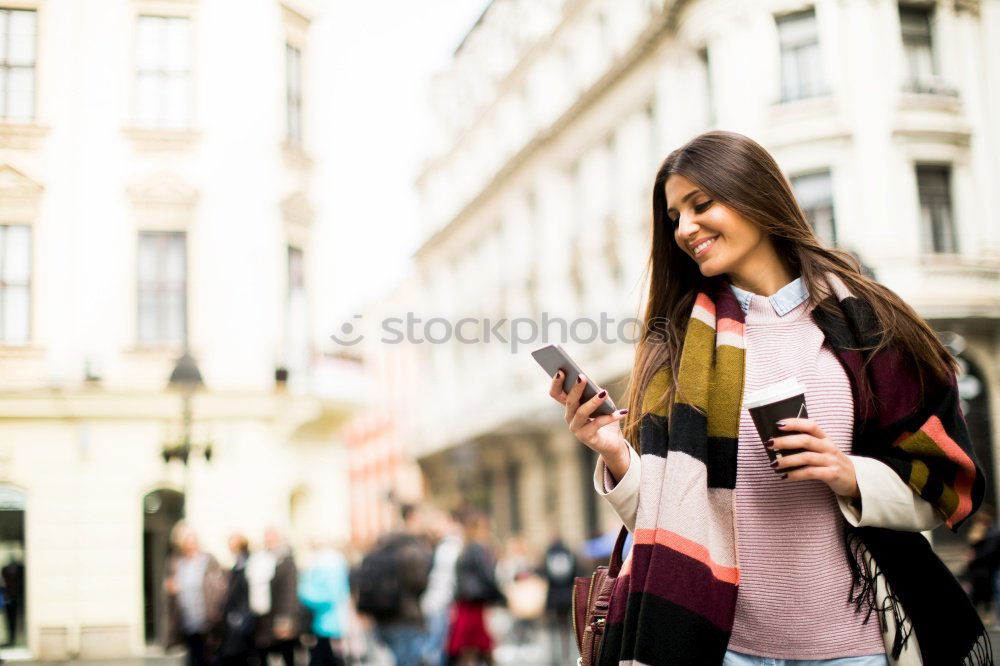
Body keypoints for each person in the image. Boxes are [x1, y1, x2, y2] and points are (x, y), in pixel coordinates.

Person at [546, 130, 989, 665]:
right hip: (727, 648)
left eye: (701, 204)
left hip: (855, 646)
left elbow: (943, 488)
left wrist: (848, 475)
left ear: (754, 193)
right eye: (674, 217)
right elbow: (663, 526)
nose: (686, 228)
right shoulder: (679, 343)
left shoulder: (870, 321)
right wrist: (615, 453)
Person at [360, 504, 433, 666]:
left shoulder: (380, 547)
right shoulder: (411, 549)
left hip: (381, 618)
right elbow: (420, 583)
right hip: (406, 617)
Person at [163, 522, 227, 666]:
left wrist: (217, 612)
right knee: (194, 657)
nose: (190, 545)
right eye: (186, 541)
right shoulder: (176, 562)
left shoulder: (208, 560)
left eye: (193, 541)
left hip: (209, 619)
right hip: (188, 620)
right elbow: (170, 587)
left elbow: (221, 586)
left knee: (211, 657)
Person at [447, 507, 504, 666]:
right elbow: (488, 576)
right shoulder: (477, 549)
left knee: (470, 648)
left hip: (466, 604)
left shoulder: (465, 549)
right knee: (477, 647)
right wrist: (501, 596)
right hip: (475, 604)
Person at [247, 527, 300, 666]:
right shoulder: (261, 559)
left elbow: (289, 592)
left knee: (285, 652)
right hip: (263, 617)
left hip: (279, 617)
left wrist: (285, 620)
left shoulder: (286, 561)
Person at [419, 508, 464, 666]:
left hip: (439, 602)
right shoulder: (449, 547)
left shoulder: (448, 547)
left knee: (434, 648)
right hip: (440, 604)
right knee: (435, 649)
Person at [298, 537, 351, 666]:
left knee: (324, 657)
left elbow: (319, 596)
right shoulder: (337, 560)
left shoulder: (321, 562)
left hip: (323, 622)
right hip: (335, 621)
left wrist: (303, 593)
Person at [217, 533, 256, 665]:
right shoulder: (236, 565)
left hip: (242, 619)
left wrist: (240, 616)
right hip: (234, 617)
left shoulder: (247, 564)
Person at [540, 536, 575, 665]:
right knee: (567, 627)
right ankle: (566, 655)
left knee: (552, 627)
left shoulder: (549, 554)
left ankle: (554, 656)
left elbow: (545, 574)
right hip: (567, 595)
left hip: (553, 596)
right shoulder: (568, 553)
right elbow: (574, 573)